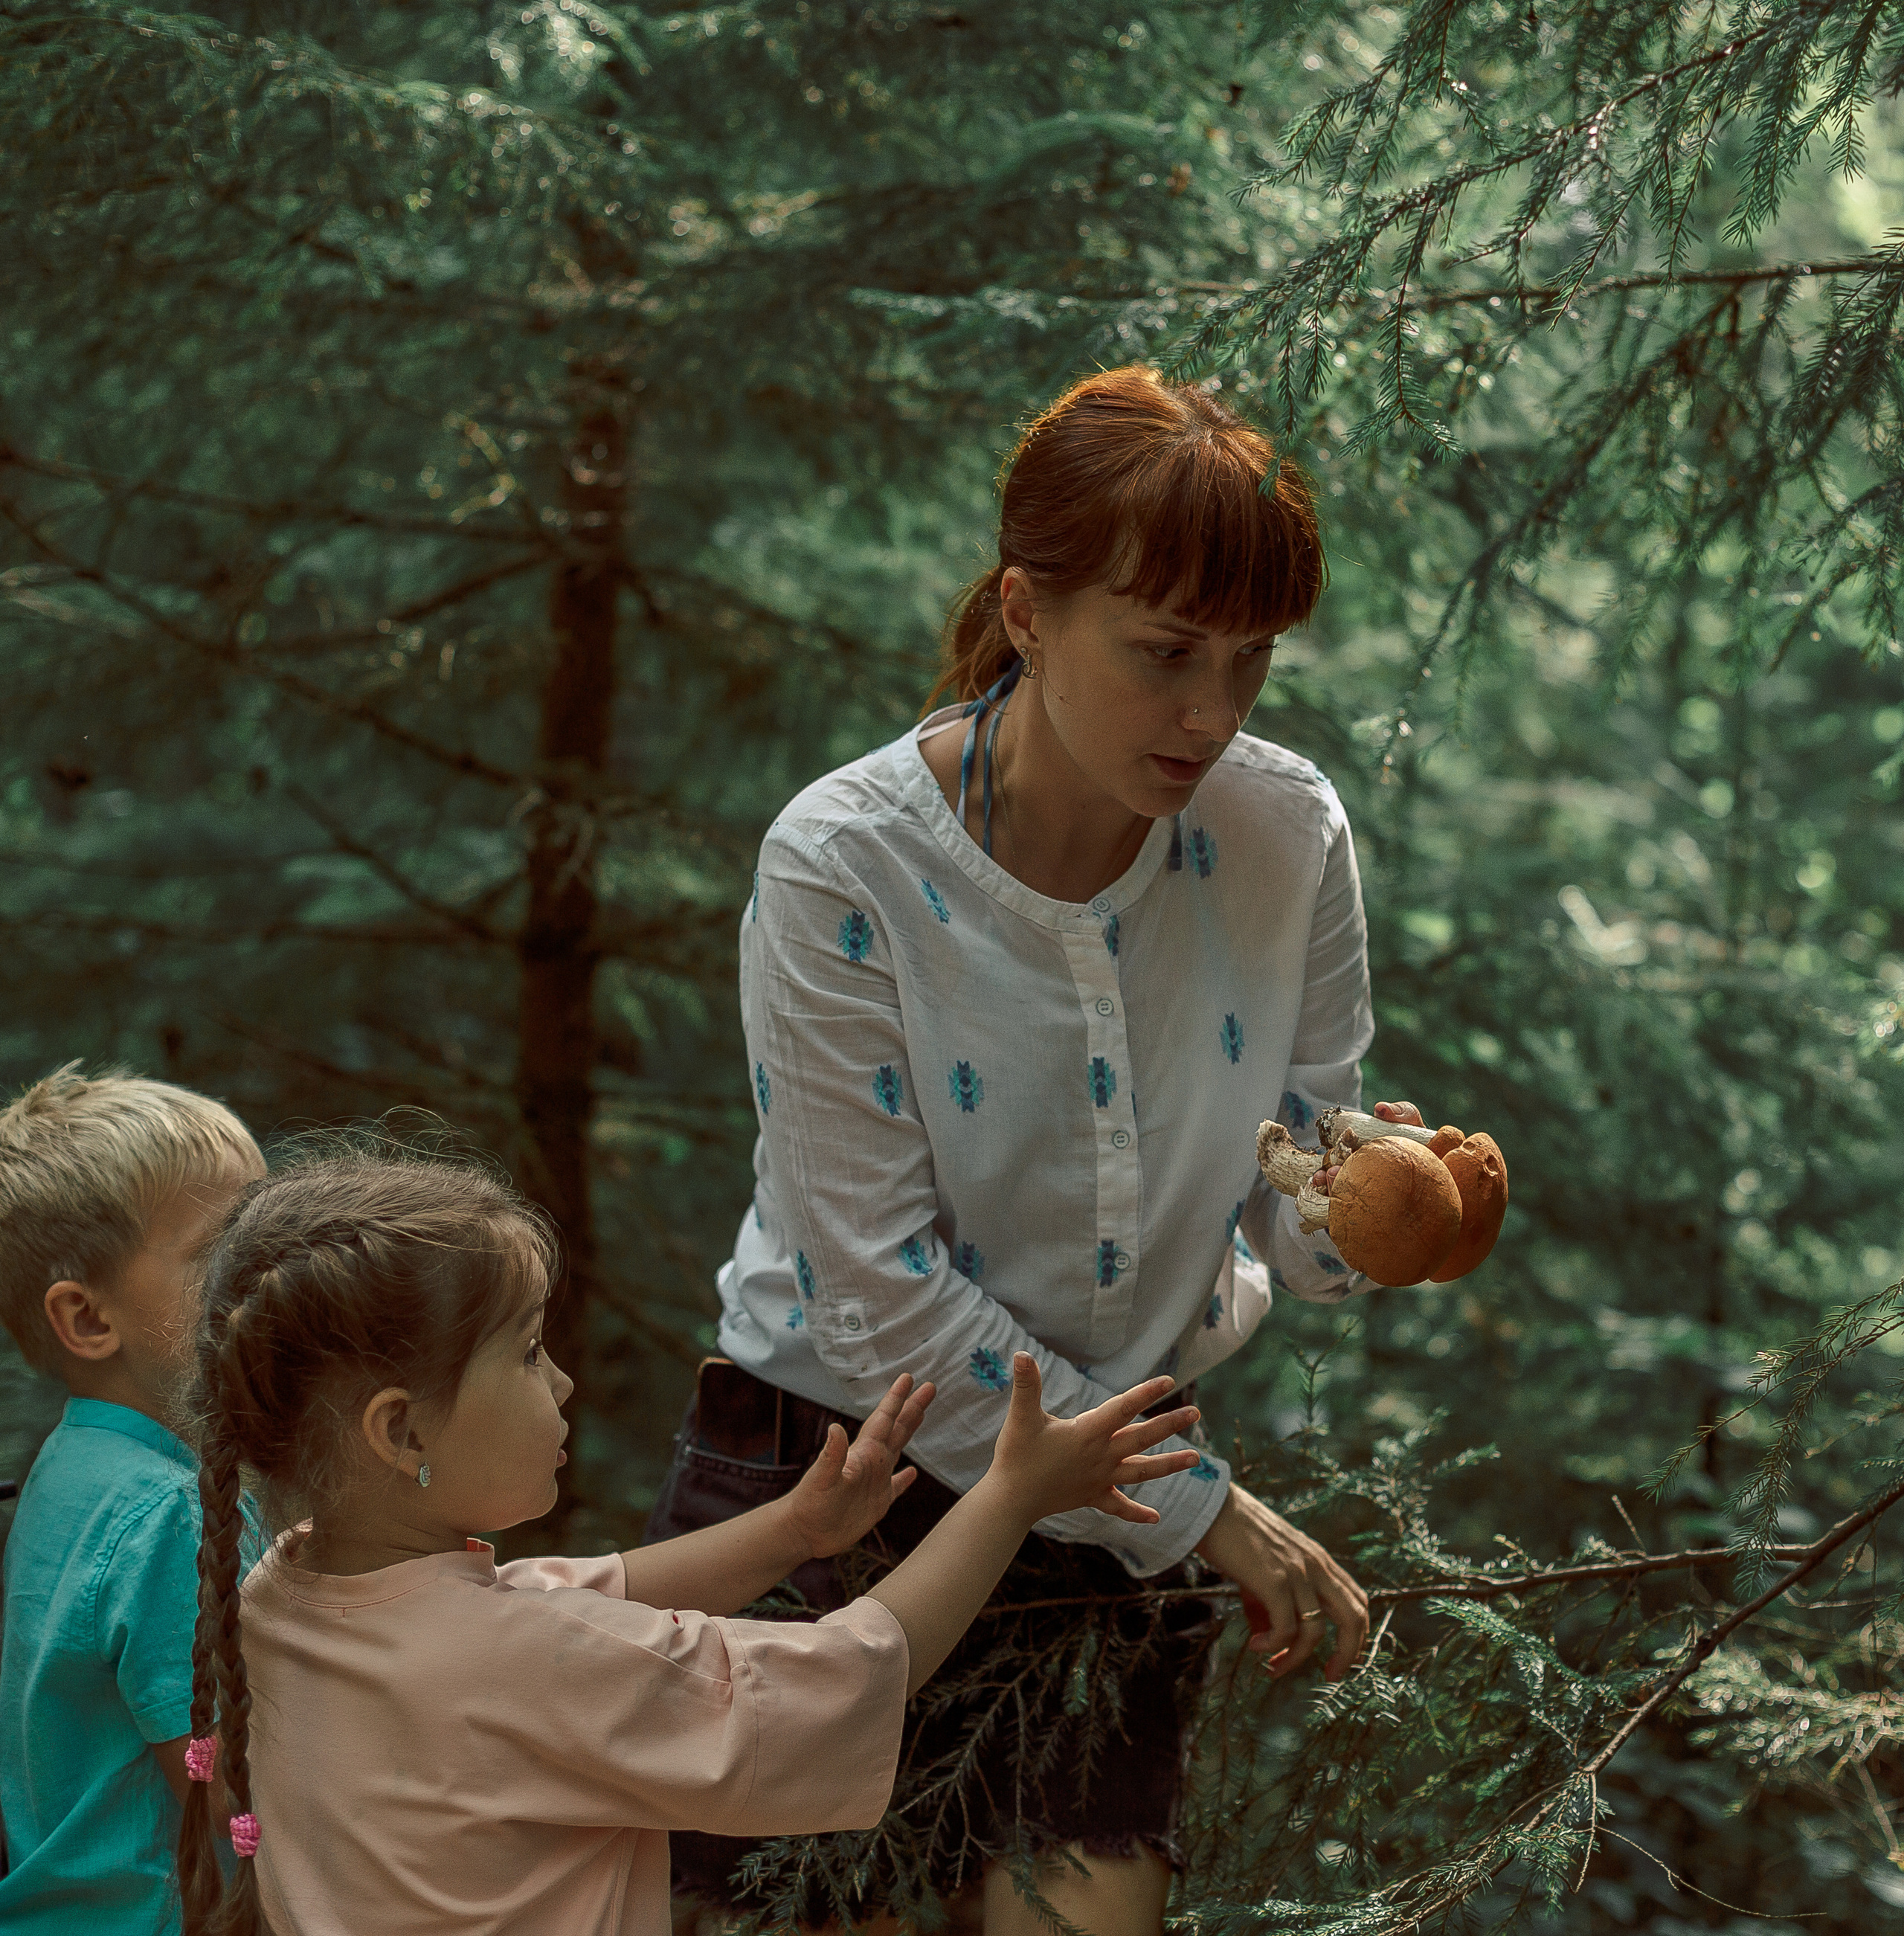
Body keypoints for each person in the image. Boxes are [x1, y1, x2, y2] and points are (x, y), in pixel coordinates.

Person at [650, 364, 1424, 1935]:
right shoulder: (843, 862)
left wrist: (1374, 1204)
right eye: (1161, 653)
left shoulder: (1286, 833)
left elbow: (1301, 1201)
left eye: (1249, 658)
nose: (1211, 712)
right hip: (830, 1476)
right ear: (1026, 610)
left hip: (1119, 1489)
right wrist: (1206, 1511)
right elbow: (871, 1299)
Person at [173, 1148, 1200, 1936]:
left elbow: (582, 1592)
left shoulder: (286, 1588)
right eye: (528, 1353)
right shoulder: (522, 1661)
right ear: (401, 1430)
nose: (562, 1381)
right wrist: (1011, 1494)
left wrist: (794, 1527)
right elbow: (845, 1672)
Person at [0, 1064, 263, 1935]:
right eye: (229, 1251)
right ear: (87, 1319)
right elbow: (240, 1787)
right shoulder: (163, 1513)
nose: (273, 1275)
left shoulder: (76, 1464)